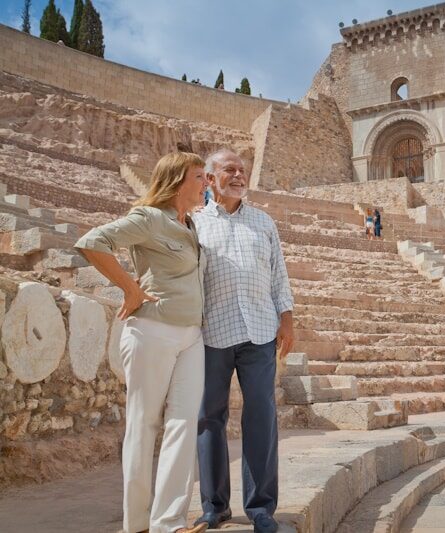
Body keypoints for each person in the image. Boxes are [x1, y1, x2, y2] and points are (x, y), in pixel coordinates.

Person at [74, 152, 209, 533]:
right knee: (144, 424)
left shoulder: (192, 225)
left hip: (191, 337)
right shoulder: (149, 218)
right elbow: (92, 242)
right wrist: (130, 289)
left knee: (183, 424)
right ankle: (136, 524)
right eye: (199, 177)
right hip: (152, 331)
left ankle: (170, 523)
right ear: (179, 180)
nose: (205, 183)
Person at [193, 149, 294, 533]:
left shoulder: (263, 221)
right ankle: (214, 506)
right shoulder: (195, 222)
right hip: (211, 332)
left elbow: (278, 275)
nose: (238, 175)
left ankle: (261, 508)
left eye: (242, 170)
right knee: (209, 419)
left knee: (262, 416)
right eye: (229, 169)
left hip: (259, 330)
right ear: (209, 177)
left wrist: (287, 317)